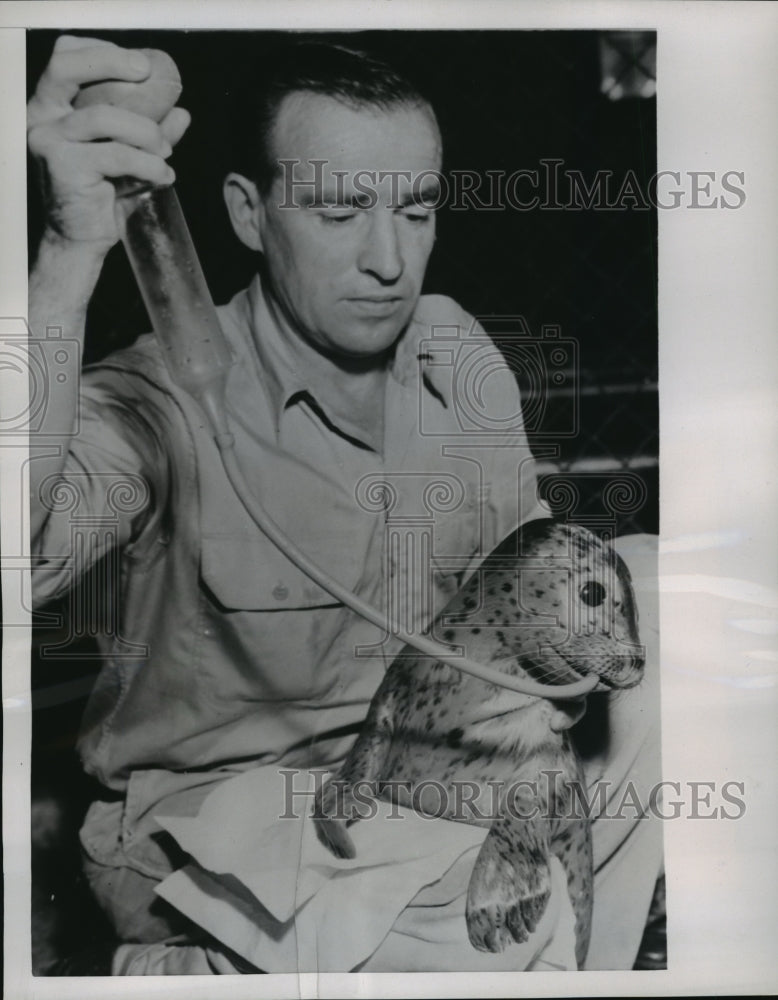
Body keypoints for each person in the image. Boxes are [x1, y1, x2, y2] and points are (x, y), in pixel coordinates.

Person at [27, 34, 662, 975]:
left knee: (668, 583)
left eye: (416, 208)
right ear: (249, 213)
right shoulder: (161, 398)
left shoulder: (454, 353)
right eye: (338, 210)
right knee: (459, 896)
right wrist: (67, 259)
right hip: (232, 817)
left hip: (427, 771)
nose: (388, 258)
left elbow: (531, 598)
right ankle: (187, 969)